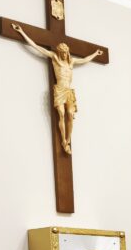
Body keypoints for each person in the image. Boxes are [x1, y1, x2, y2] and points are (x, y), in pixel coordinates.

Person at [11, 23, 103, 155]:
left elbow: (84, 60)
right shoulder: (55, 58)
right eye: (62, 52)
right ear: (59, 52)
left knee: (70, 114)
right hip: (59, 89)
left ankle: (68, 140)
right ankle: (63, 141)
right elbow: (36, 47)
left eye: (66, 52)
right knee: (61, 113)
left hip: (69, 91)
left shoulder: (71, 62)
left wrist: (95, 53)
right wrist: (22, 32)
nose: (65, 54)